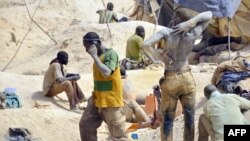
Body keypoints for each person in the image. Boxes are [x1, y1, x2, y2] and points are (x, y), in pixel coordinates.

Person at [142, 11, 212, 141]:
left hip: (171, 78)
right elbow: (209, 14)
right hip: (187, 77)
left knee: (168, 119)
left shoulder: (167, 33)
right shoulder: (191, 34)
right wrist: (191, 23)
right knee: (189, 118)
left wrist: (158, 57)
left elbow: (145, 45)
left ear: (174, 19)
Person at [80, 32, 127, 141]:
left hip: (111, 102)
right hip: (97, 100)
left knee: (118, 137)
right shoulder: (98, 58)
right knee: (86, 125)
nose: (86, 51)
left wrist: (94, 56)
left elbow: (106, 73)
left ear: (94, 44)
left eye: (87, 47)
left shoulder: (111, 54)